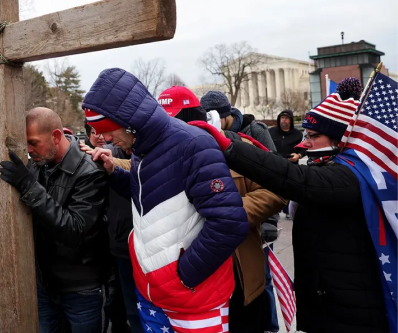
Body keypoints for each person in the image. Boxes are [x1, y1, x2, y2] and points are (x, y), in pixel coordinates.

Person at [190, 78, 389, 332]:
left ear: (344, 139)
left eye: (313, 136)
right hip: (327, 302)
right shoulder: (338, 168)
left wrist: (229, 147)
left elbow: (292, 179)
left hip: (350, 313)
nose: (303, 144)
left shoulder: (351, 177)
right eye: (305, 134)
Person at [81, 69, 248, 332]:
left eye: (106, 129)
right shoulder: (141, 147)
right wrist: (114, 173)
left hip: (194, 299)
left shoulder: (194, 145)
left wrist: (183, 276)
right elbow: (149, 195)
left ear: (128, 120)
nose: (106, 138)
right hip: (152, 294)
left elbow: (230, 223)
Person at [156, 85, 286, 333]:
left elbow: (277, 187)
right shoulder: (163, 154)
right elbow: (132, 167)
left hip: (240, 272)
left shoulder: (239, 146)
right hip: (193, 274)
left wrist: (230, 214)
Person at [0, 107, 111, 333]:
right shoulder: (39, 164)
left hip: (81, 288)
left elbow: (74, 230)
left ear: (56, 137)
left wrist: (29, 186)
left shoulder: (89, 172)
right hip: (44, 284)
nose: (29, 151)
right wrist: (1, 185)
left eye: (34, 143)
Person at [82, 118, 137, 333]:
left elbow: (129, 166)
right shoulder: (86, 162)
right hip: (112, 245)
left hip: (134, 243)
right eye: (93, 131)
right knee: (117, 305)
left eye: (104, 131)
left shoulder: (119, 153)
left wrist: (109, 160)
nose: (100, 136)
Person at [201, 91, 277, 153]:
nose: (212, 124)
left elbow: (274, 161)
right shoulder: (213, 135)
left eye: (213, 119)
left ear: (224, 115)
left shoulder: (256, 130)